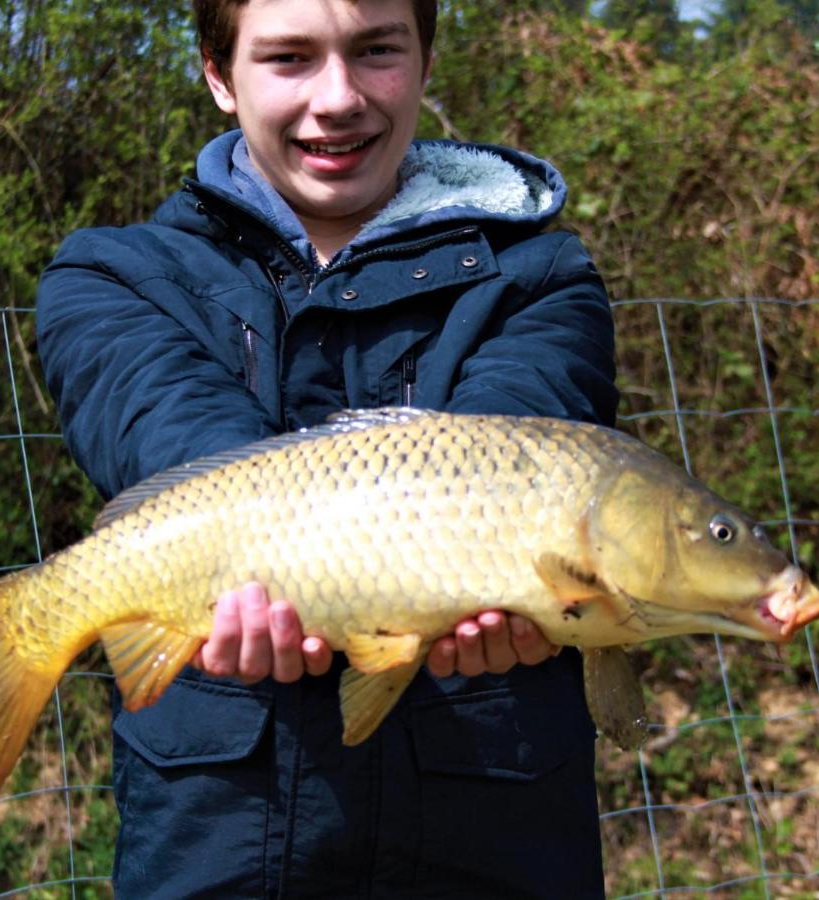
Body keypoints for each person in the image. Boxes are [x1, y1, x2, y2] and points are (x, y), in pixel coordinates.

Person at [36, 0, 617, 896]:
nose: (337, 97)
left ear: (426, 61)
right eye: (289, 58)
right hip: (221, 851)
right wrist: (259, 582)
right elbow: (182, 450)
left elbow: (516, 463)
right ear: (220, 76)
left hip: (495, 841)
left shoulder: (542, 278)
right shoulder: (112, 278)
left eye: (376, 50)